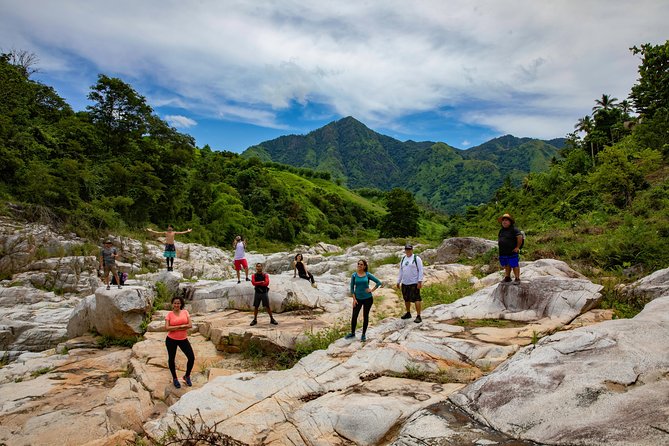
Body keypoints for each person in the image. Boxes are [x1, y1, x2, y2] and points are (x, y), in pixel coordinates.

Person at [345, 259, 382, 342]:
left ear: (364, 266)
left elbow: (378, 282)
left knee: (366, 316)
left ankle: (363, 334)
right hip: (358, 299)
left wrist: (372, 290)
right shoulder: (354, 275)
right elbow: (351, 288)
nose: (359, 265)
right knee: (354, 316)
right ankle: (352, 333)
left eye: (361, 264)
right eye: (358, 264)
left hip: (368, 299)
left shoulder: (367, 274)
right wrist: (354, 299)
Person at [165, 296, 195, 388]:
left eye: (178, 303)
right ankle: (175, 378)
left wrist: (175, 327)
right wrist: (181, 327)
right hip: (171, 340)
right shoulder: (169, 314)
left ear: (181, 304)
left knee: (191, 357)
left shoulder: (185, 312)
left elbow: (190, 325)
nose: (177, 305)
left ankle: (187, 376)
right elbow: (167, 328)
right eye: (175, 303)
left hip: (183, 340)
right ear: (172, 304)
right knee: (171, 359)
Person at [397, 243, 424, 323]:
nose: (408, 251)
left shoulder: (416, 258)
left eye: (409, 249)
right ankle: (408, 313)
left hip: (414, 282)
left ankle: (418, 316)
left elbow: (421, 270)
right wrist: (398, 281)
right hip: (405, 282)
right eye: (406, 249)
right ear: (405, 250)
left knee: (416, 298)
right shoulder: (403, 259)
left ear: (412, 250)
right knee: (406, 299)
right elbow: (401, 271)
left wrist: (420, 281)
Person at [497, 213, 523, 283]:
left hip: (512, 251)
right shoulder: (501, 230)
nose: (504, 222)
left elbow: (520, 237)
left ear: (510, 222)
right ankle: (507, 277)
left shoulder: (514, 229)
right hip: (503, 252)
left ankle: (517, 278)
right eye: (503, 221)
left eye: (506, 220)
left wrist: (517, 247)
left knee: (514, 264)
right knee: (506, 265)